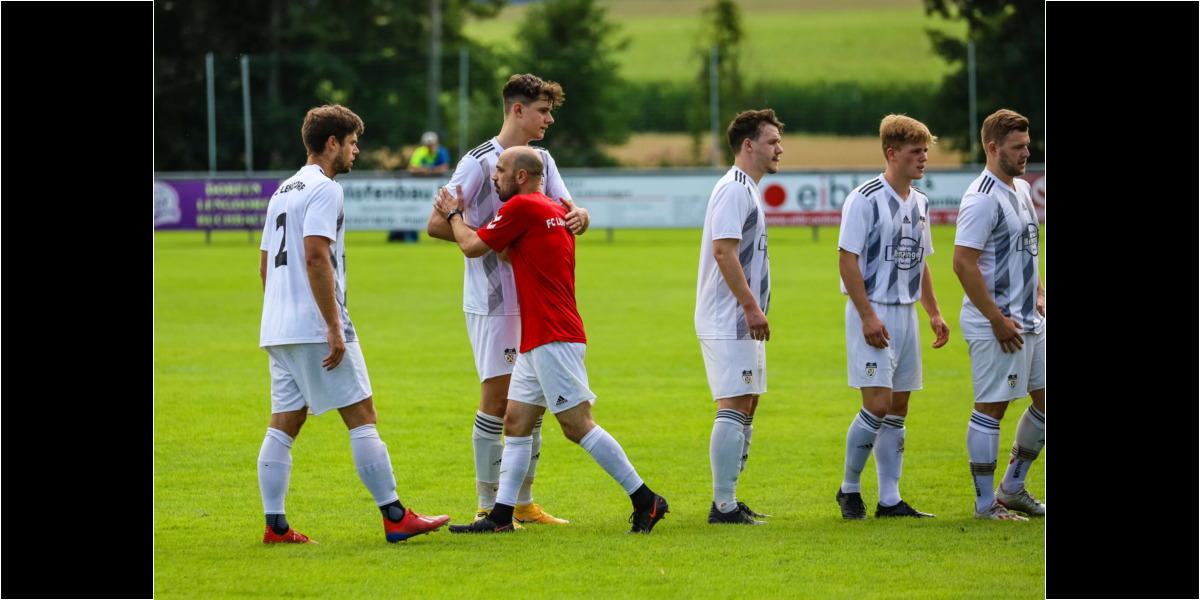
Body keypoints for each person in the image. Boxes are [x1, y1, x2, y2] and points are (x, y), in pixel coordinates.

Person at [433, 146, 668, 534]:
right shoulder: (556, 210)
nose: (494, 178)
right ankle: (501, 518)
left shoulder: (521, 208)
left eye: (501, 172)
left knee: (577, 425)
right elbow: (514, 256)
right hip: (542, 335)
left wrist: (454, 214)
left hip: (552, 336)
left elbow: (472, 247)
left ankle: (646, 500)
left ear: (521, 177)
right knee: (516, 422)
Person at [257, 105, 450, 544]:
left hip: (278, 327)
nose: (356, 151)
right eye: (352, 142)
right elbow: (315, 255)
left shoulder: (281, 191)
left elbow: (266, 264)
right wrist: (331, 325)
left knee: (284, 421)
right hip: (314, 324)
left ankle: (275, 526)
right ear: (332, 144)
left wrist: (278, 314)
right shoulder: (325, 189)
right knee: (362, 415)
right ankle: (396, 516)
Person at [426, 74, 590, 527]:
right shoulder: (477, 164)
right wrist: (494, 239)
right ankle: (486, 503)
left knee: (529, 404)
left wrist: (582, 215)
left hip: (535, 298)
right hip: (493, 300)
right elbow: (436, 225)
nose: (549, 119)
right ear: (518, 110)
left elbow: (564, 210)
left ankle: (521, 503)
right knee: (496, 399)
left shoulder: (543, 160)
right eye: (543, 111)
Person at [834, 115, 950, 520]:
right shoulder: (863, 198)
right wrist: (867, 316)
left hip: (906, 316)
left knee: (899, 408)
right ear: (891, 153)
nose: (923, 159)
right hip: (873, 310)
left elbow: (921, 262)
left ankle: (889, 499)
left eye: (925, 151)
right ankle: (849, 490)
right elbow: (847, 260)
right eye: (915, 152)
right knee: (878, 403)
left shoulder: (920, 202)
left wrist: (933, 312)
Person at [951, 108, 1046, 520]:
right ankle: (984, 503)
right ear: (993, 148)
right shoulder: (981, 198)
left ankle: (1011, 488)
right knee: (992, 407)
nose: (1026, 153)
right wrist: (995, 319)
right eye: (1017, 147)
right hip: (998, 324)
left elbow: (1025, 248)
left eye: (1027, 145)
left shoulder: (1021, 189)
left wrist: (1039, 290)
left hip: (1029, 318)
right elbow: (962, 263)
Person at [694, 109, 783, 525]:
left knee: (748, 403)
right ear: (748, 145)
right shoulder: (734, 189)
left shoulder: (746, 189)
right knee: (733, 402)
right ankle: (723, 506)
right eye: (771, 141)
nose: (779, 148)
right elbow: (723, 252)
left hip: (739, 318)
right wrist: (750, 306)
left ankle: (729, 498)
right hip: (728, 317)